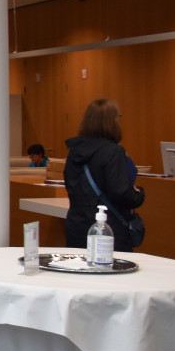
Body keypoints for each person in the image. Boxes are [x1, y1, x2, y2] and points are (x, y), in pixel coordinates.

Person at [63, 98, 145, 251]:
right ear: (112, 121)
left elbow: (70, 185)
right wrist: (139, 195)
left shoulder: (75, 151)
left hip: (76, 225)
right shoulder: (113, 151)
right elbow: (120, 193)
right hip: (108, 228)